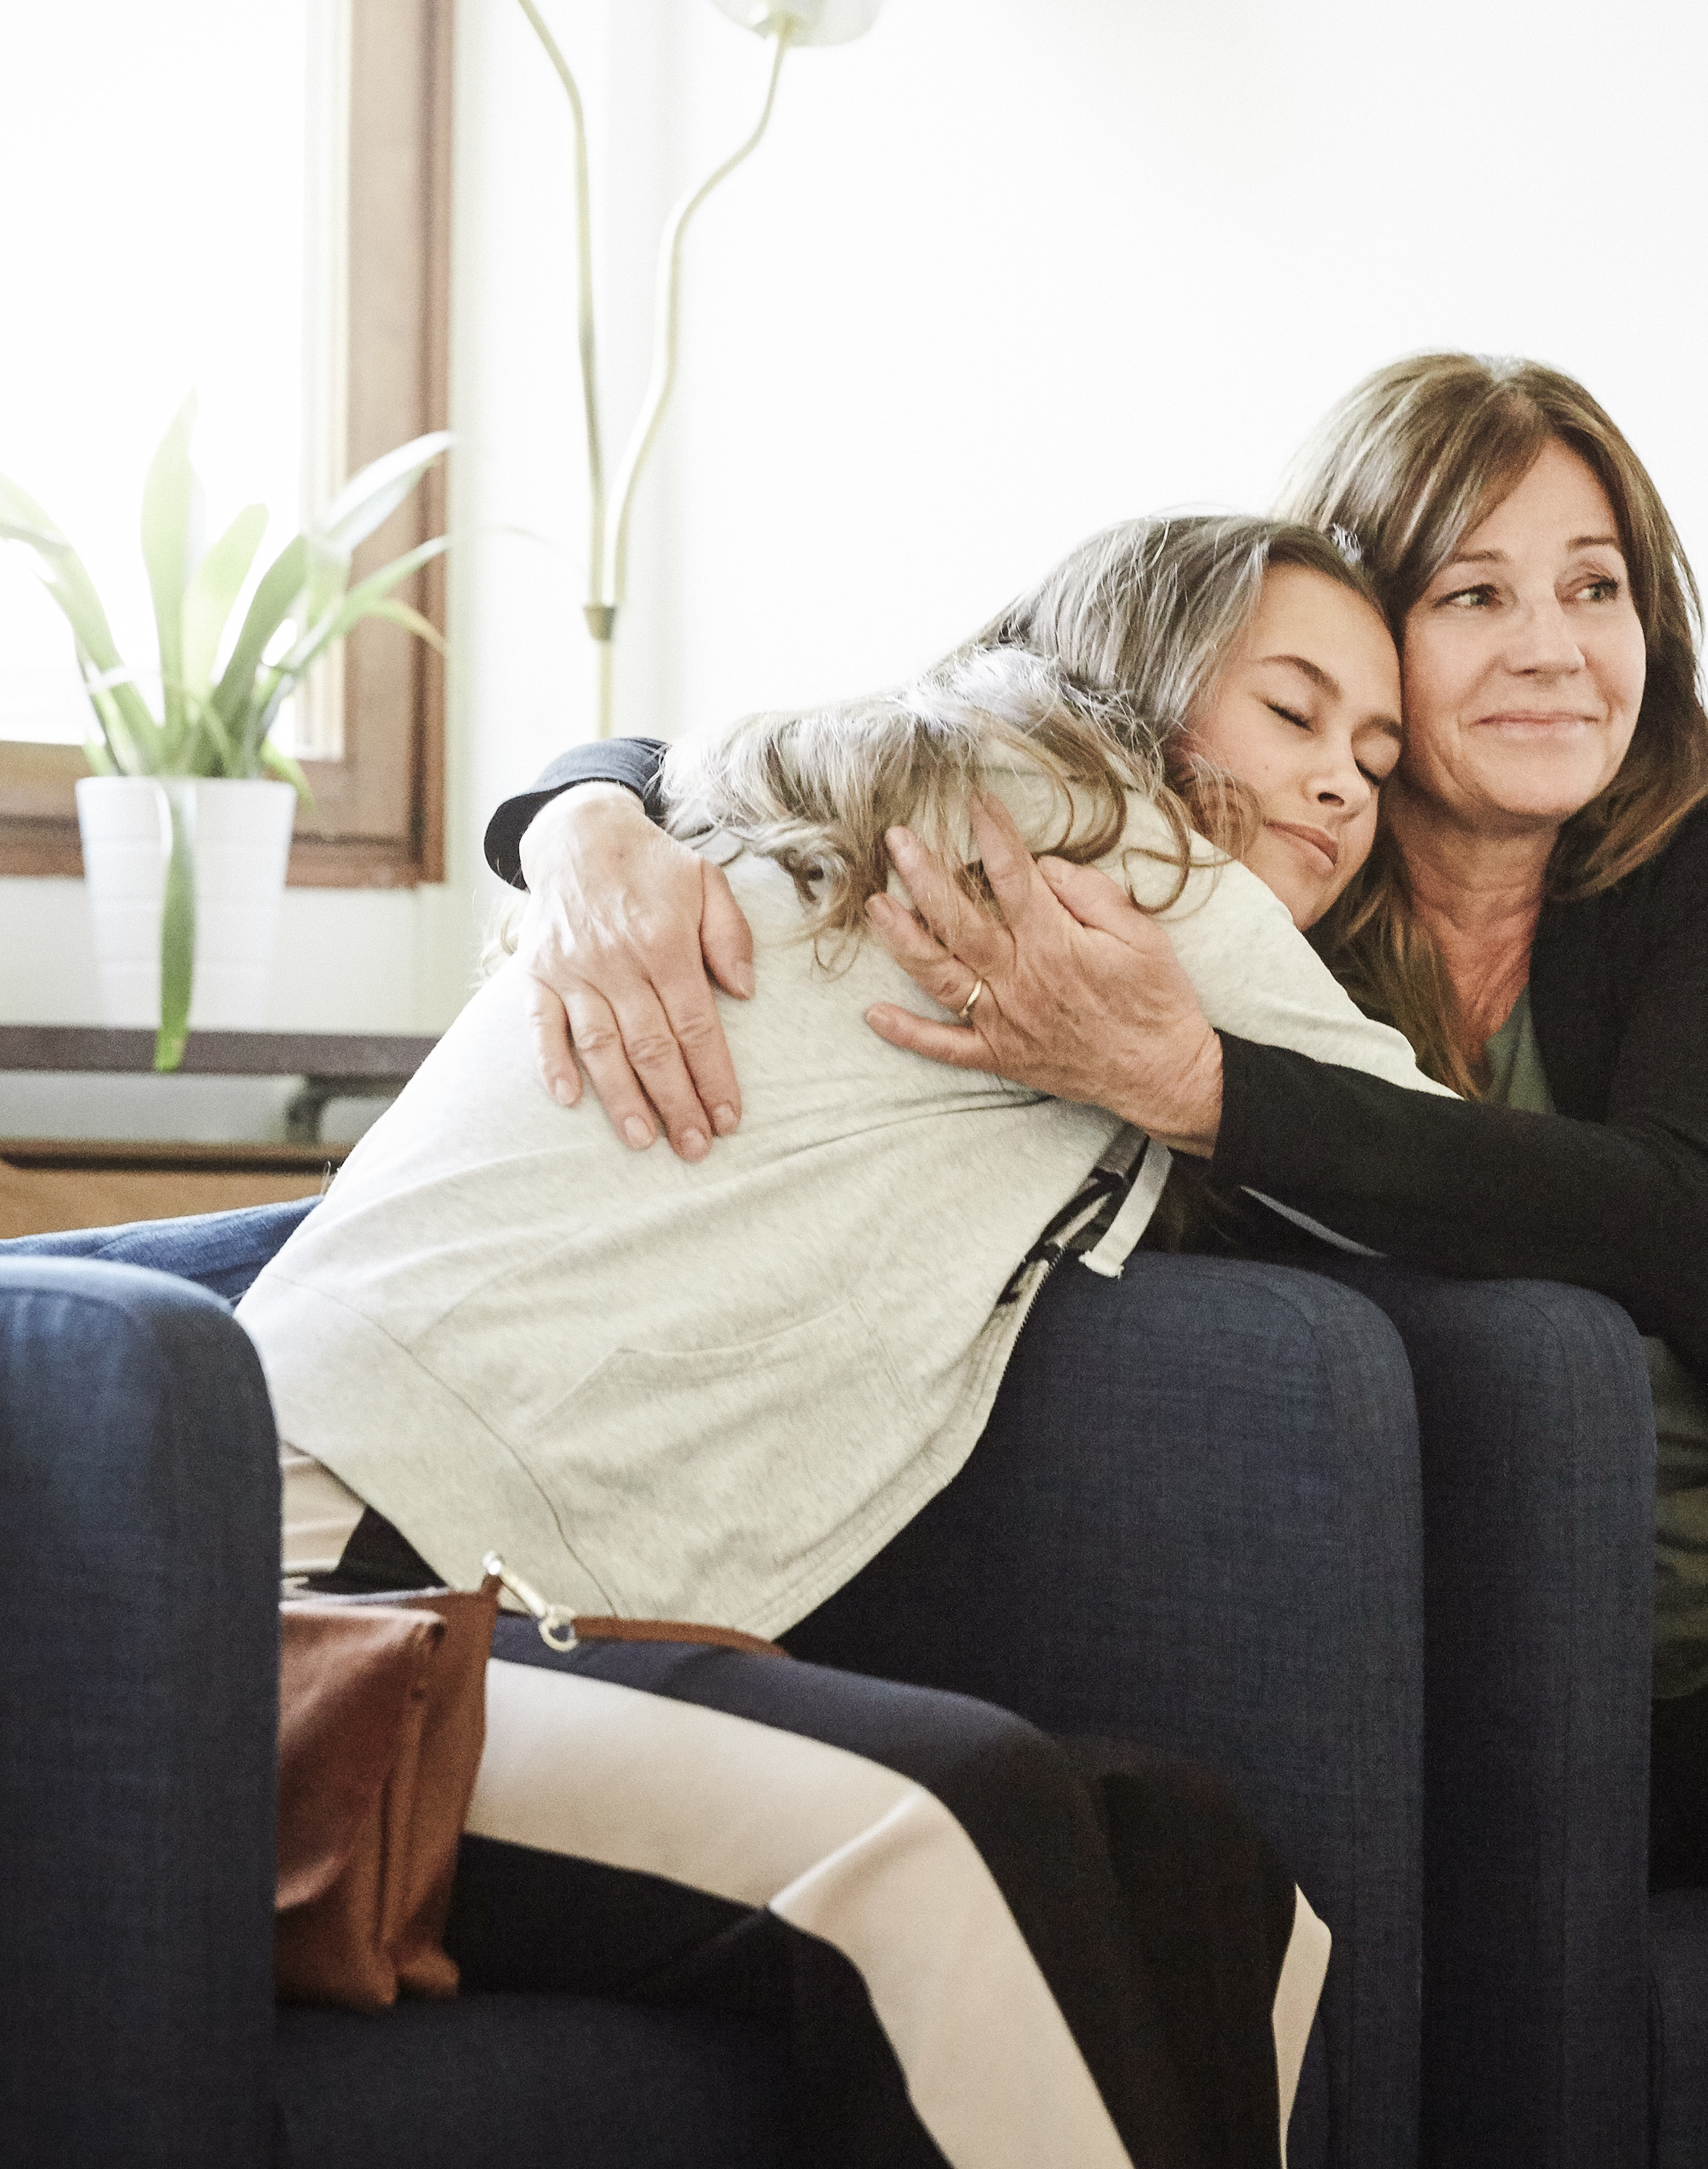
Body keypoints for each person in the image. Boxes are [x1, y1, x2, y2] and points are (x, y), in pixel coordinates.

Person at [492, 357, 1708, 2168]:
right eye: (1472, 592)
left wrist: (1207, 1093)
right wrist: (579, 819)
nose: (1554, 647)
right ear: (1361, 620)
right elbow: (893, 728)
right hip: (1582, 1651)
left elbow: (1666, 1225)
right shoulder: (1237, 876)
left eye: (1596, 584)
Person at [250, 514, 1427, 2169]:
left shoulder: (849, 804)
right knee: (948, 1825)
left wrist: (583, 800)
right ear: (1145, 699)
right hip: (302, 1628)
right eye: (1293, 715)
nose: (1342, 790)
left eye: (1379, 756)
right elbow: (1486, 1178)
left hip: (490, 1616)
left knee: (1186, 1852)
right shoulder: (1117, 852)